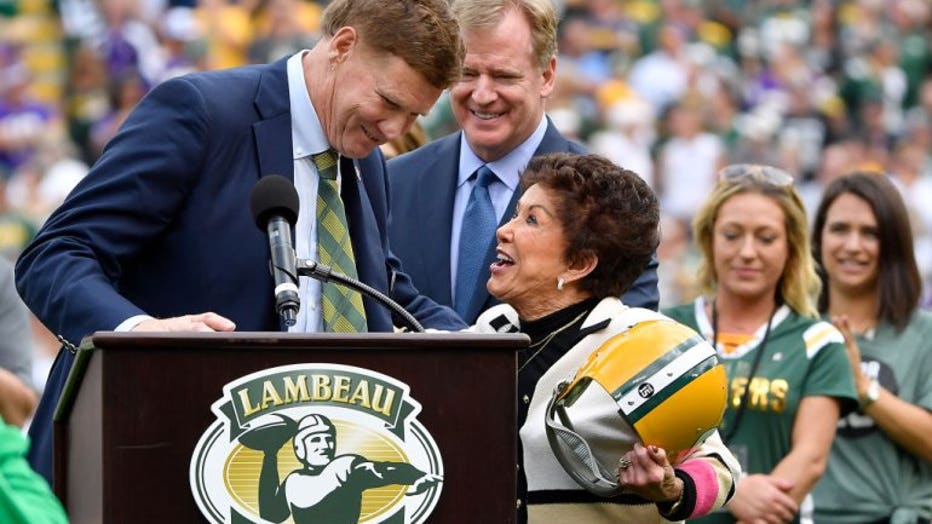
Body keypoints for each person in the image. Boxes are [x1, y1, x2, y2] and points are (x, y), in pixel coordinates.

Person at [14, 0, 467, 485]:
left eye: (416, 114)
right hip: (152, 457)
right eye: (390, 103)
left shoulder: (366, 162)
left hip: (289, 484)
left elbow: (374, 287)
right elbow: (55, 254)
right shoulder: (200, 112)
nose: (396, 130)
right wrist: (139, 332)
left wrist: (468, 342)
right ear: (343, 46)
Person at [471, 153, 740, 523]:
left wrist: (671, 487)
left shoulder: (637, 340)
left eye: (532, 220)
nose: (505, 229)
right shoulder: (491, 330)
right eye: (517, 213)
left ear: (578, 263)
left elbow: (718, 465)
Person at [387, 0, 659, 325]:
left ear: (546, 75)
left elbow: (628, 344)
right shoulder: (392, 182)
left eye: (503, 76)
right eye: (467, 73)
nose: (482, 94)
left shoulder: (607, 202)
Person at [662, 164, 859, 523]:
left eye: (766, 238)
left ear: (792, 248)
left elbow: (810, 458)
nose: (747, 252)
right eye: (732, 235)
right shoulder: (665, 329)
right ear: (708, 239)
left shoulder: (819, 341)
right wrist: (731, 489)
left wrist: (748, 504)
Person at [810, 172, 932, 523]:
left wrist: (862, 387)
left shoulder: (923, 334)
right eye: (839, 229)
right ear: (818, 238)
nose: (852, 245)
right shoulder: (793, 331)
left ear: (894, 243)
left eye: (870, 233)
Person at [244, 413, 440, 523]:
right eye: (315, 440)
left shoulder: (345, 467)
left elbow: (381, 470)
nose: (324, 445)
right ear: (299, 448)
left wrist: (415, 476)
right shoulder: (293, 482)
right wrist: (270, 455)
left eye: (329, 439)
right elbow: (270, 515)